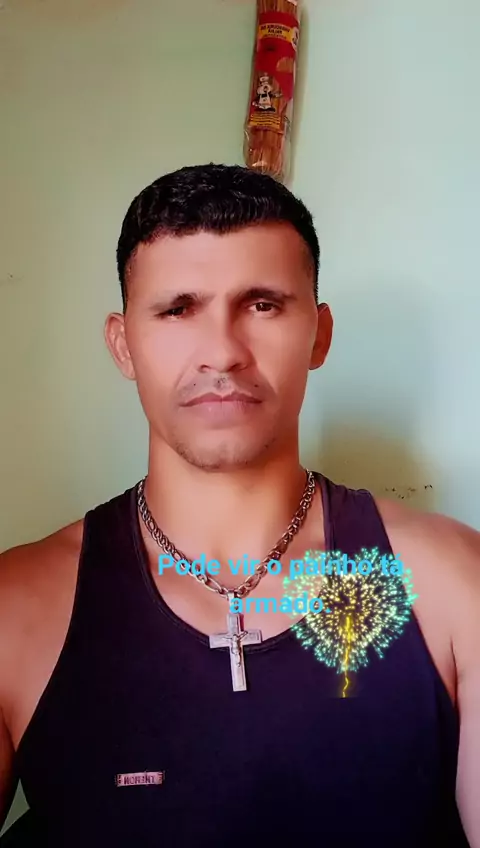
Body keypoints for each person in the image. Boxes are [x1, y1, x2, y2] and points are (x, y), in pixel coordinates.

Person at [0, 162, 478, 847]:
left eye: (262, 304)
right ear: (123, 344)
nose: (222, 353)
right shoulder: (18, 610)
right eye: (178, 308)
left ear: (318, 334)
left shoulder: (454, 585)